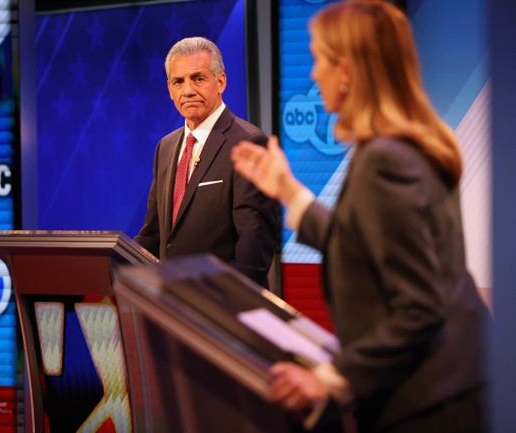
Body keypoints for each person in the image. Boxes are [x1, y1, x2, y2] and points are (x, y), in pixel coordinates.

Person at [231, 1, 489, 432]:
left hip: (430, 404)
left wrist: (330, 378)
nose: (314, 74)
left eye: (320, 60)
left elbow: (421, 309)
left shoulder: (383, 160)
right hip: (451, 387)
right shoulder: (405, 146)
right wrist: (289, 191)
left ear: (347, 71)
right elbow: (364, 242)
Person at [135, 36, 279, 288]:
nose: (188, 90)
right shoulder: (165, 147)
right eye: (179, 82)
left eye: (198, 78)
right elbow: (153, 234)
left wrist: (220, 301)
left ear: (221, 82)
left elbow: (254, 246)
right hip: (170, 302)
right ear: (169, 89)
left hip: (222, 304)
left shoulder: (249, 143)